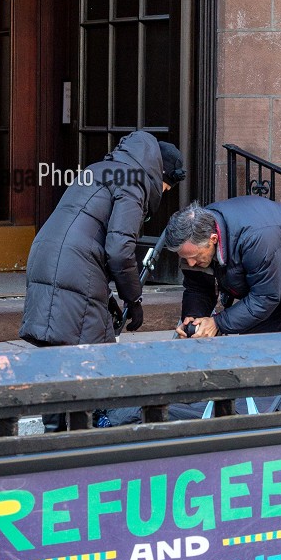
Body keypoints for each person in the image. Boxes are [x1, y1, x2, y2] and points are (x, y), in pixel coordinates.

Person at [19, 131, 185, 430]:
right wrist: (133, 300)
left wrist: (109, 298)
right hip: (75, 266)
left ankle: (54, 438)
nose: (162, 192)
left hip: (46, 256)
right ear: (160, 173)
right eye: (166, 186)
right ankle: (84, 442)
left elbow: (85, 227)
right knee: (93, 360)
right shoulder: (134, 182)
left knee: (60, 358)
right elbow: (120, 251)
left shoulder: (98, 169)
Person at [164, 197, 281, 409]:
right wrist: (193, 318)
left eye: (194, 257)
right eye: (185, 259)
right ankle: (268, 422)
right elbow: (197, 288)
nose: (191, 263)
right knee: (261, 350)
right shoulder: (196, 239)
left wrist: (217, 323)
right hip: (275, 284)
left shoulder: (256, 236)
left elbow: (265, 298)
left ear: (213, 239)